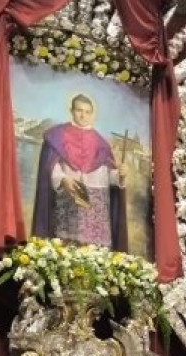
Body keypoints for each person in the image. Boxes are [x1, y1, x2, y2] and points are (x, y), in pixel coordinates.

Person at [31, 94, 129, 251]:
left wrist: (120, 175)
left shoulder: (101, 143)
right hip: (69, 198)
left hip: (96, 205)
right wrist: (63, 179)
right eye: (79, 110)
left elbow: (109, 176)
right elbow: (52, 166)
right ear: (71, 111)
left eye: (87, 111)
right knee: (65, 248)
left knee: (93, 251)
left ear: (92, 114)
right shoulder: (57, 135)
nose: (83, 115)